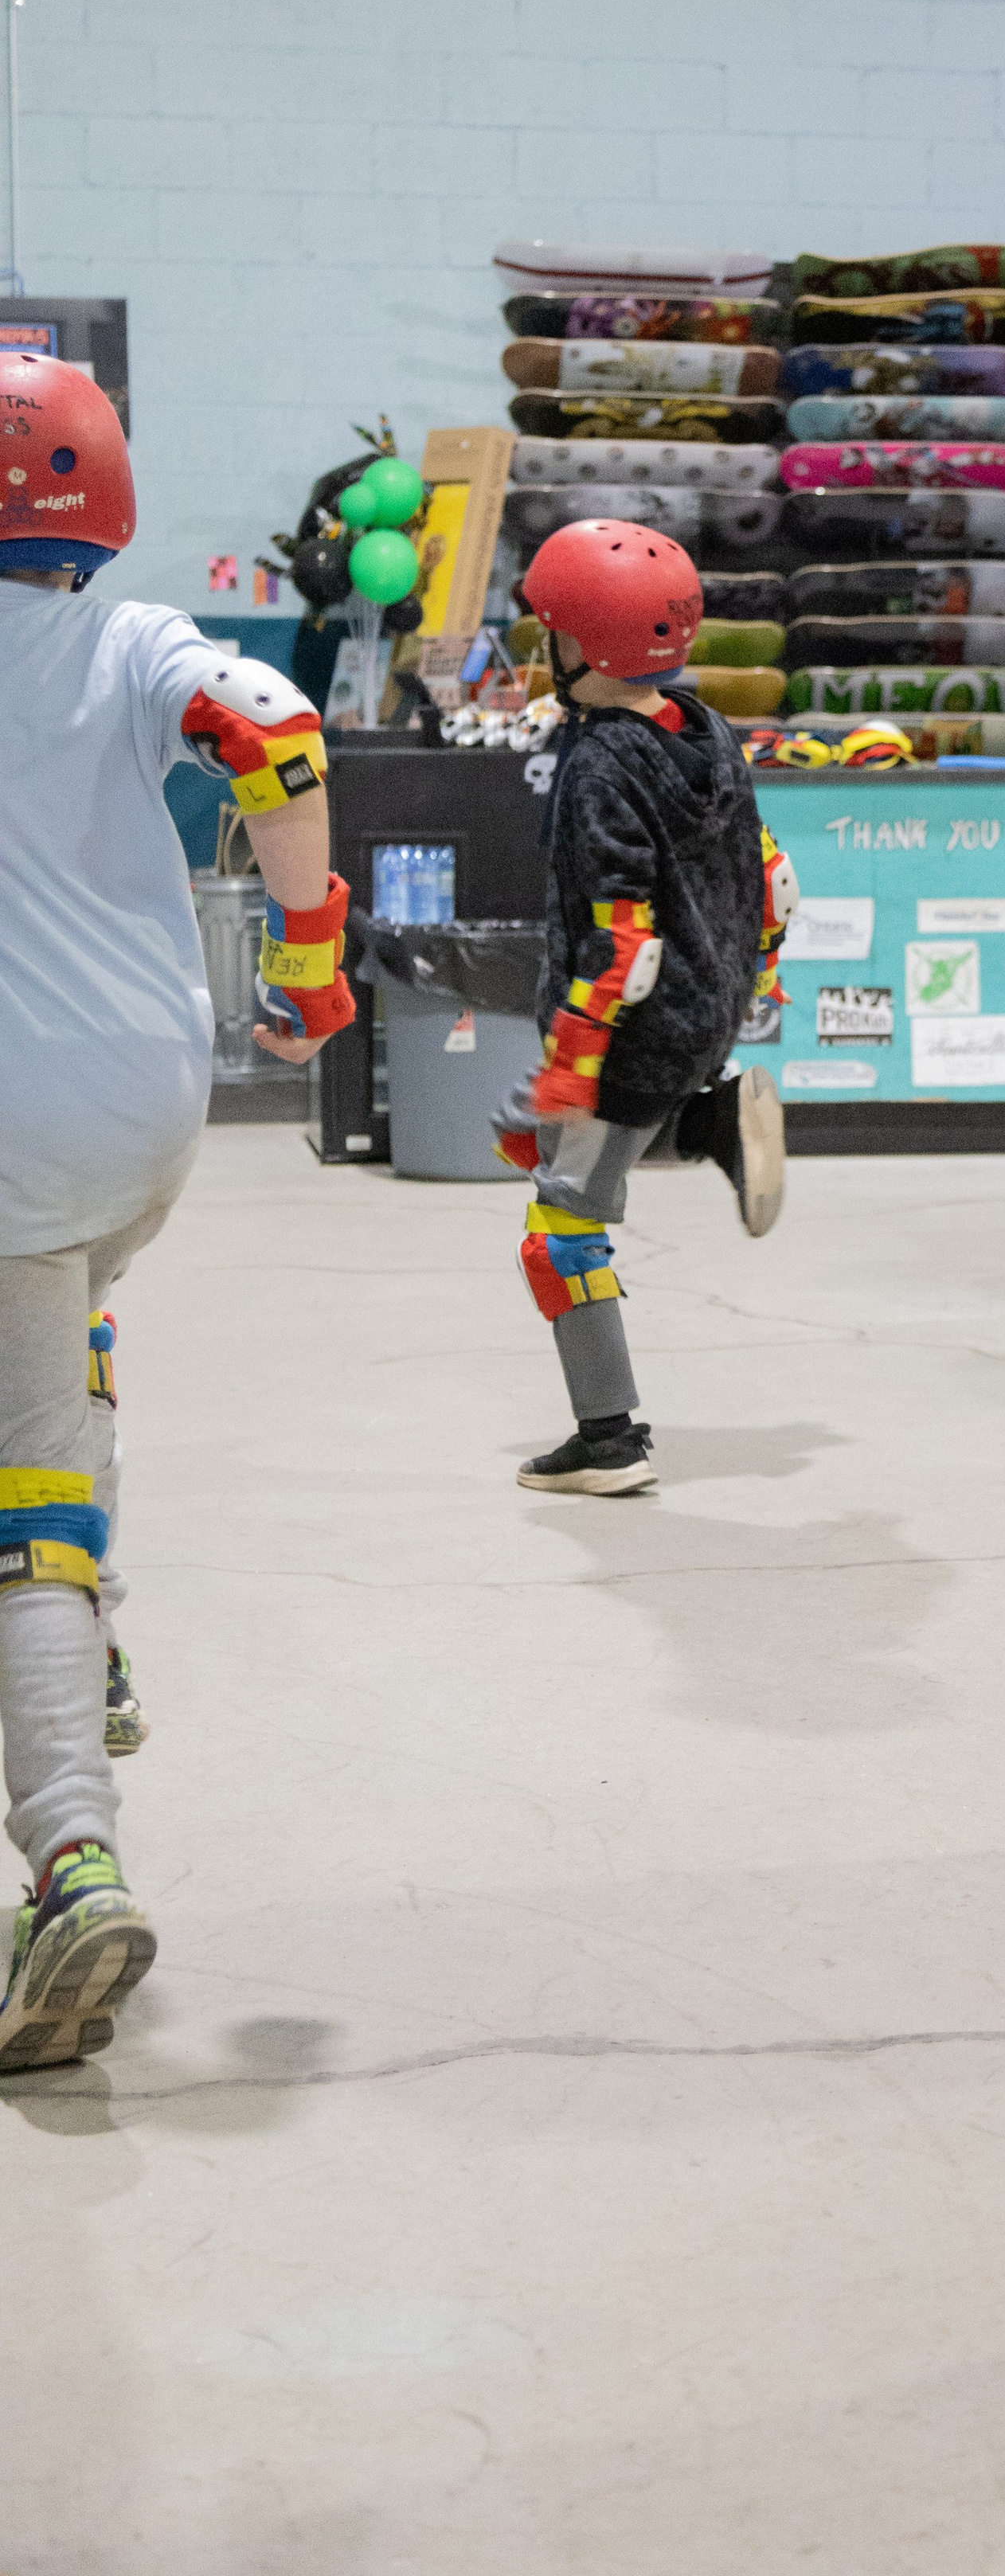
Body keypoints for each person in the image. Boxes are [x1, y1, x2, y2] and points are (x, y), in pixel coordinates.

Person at [0, 352, 352, 2066]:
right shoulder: (134, 642)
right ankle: (96, 1635)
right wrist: (310, 949)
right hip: (145, 1099)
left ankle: (71, 1861)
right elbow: (276, 733)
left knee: (17, 1494)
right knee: (72, 1339)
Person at [494, 519, 795, 1499]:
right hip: (708, 1006)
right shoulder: (704, 730)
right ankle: (711, 1119)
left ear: (579, 643)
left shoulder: (597, 765)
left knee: (562, 1228)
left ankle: (609, 1440)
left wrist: (567, 1067)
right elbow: (767, 877)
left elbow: (619, 940)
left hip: (631, 1023)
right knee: (572, 1158)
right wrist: (753, 980)